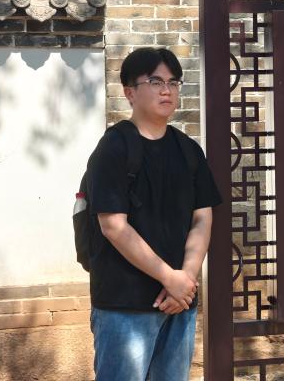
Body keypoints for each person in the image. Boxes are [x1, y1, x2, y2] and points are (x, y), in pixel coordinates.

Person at [86, 47, 221, 380]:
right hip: (125, 305)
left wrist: (186, 278)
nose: (167, 90)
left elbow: (202, 218)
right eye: (156, 81)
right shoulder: (113, 148)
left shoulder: (189, 151)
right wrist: (169, 278)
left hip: (179, 303)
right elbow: (113, 226)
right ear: (129, 92)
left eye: (174, 83)